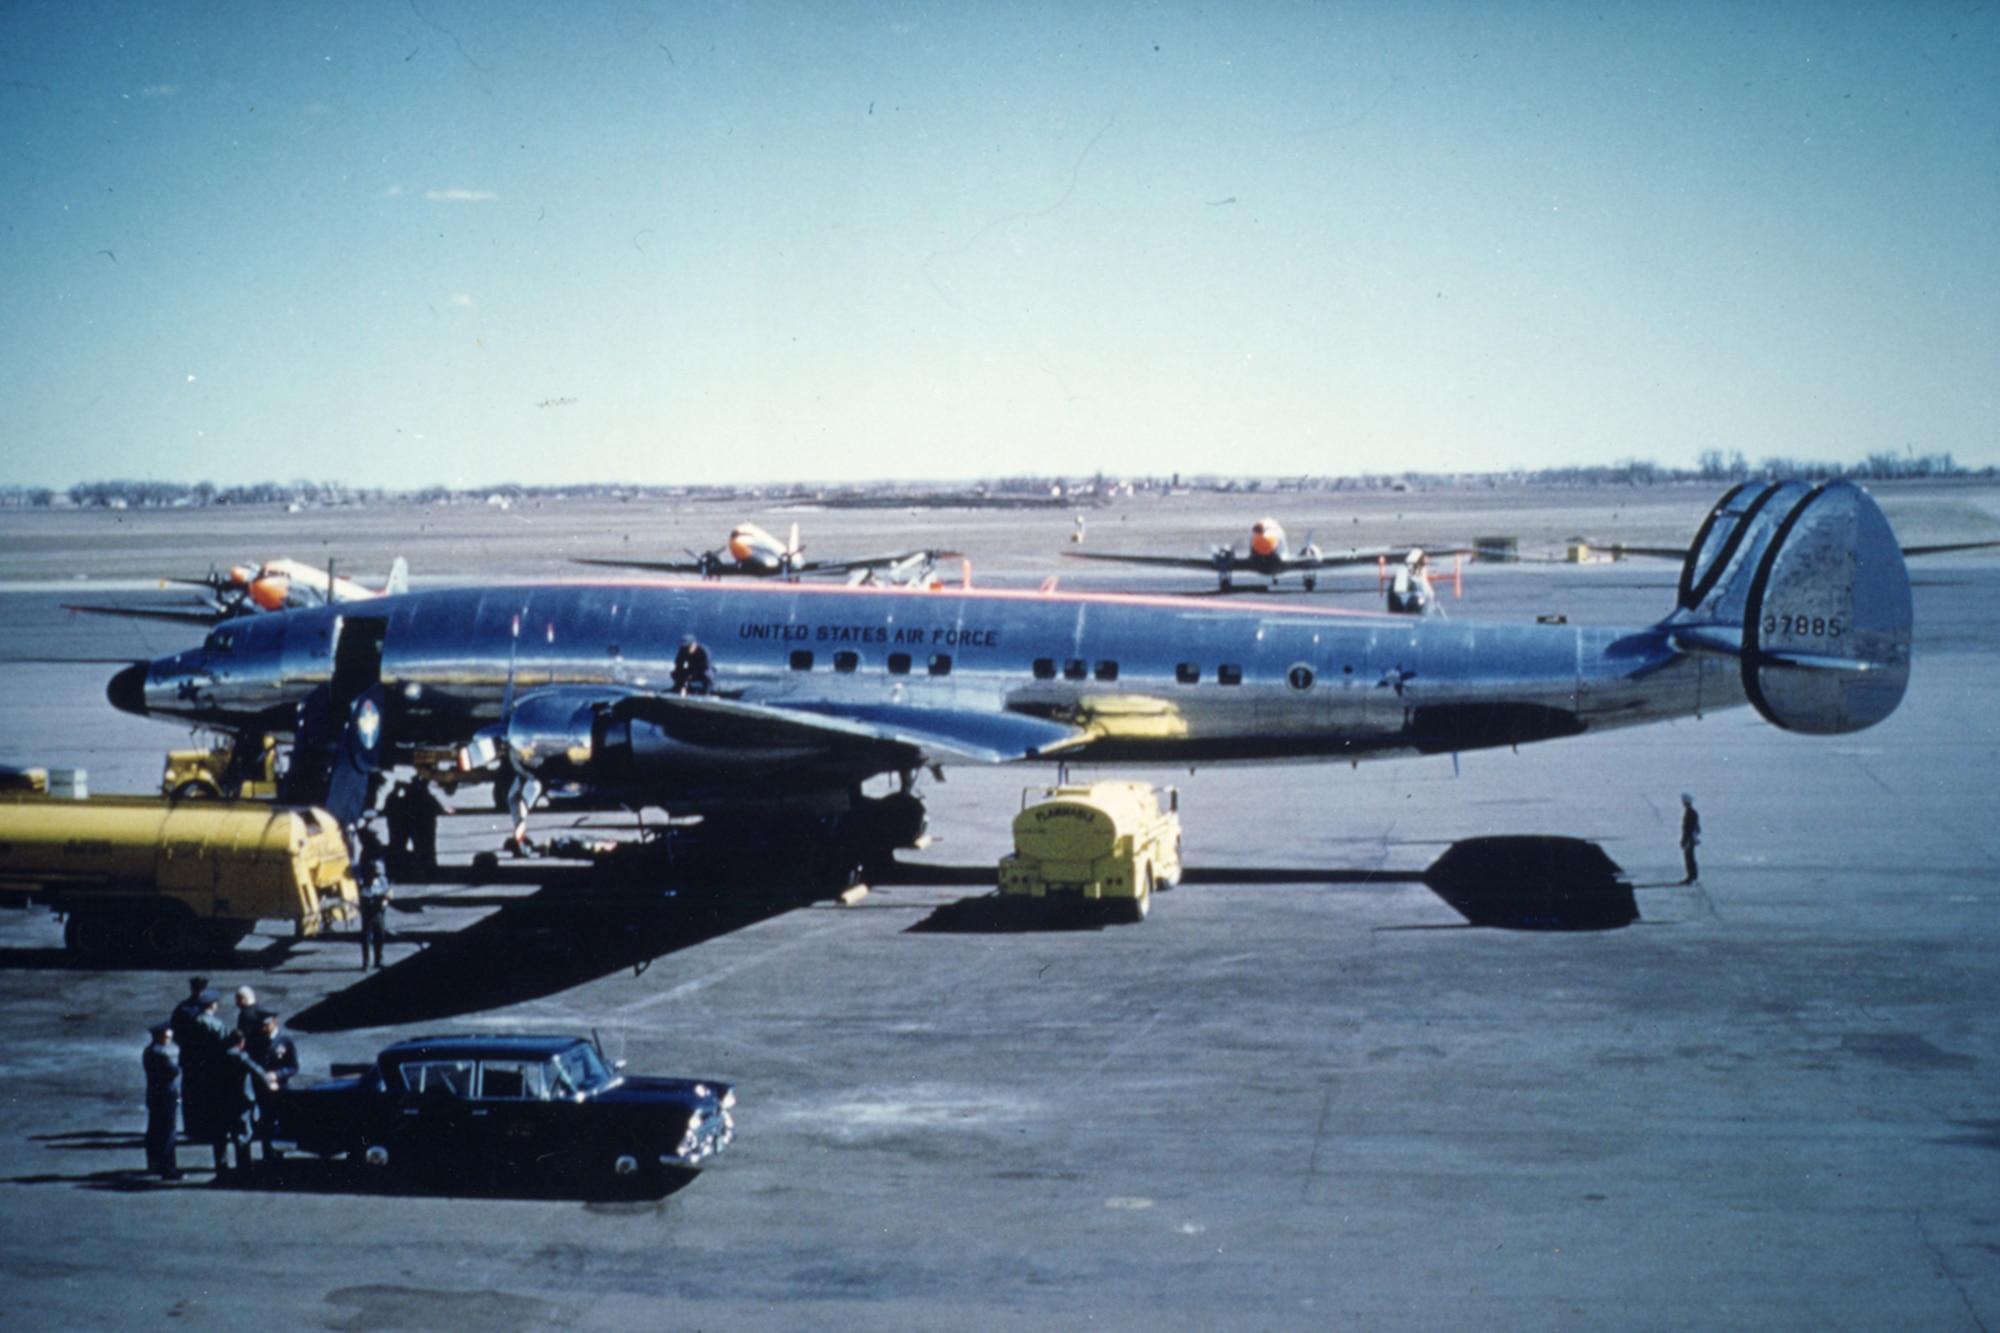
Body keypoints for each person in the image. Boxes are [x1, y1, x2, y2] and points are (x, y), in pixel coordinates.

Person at [213, 1029, 271, 1179]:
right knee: (242, 1134)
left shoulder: (218, 1056)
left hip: (221, 1100)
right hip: (241, 1100)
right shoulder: (241, 1056)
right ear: (241, 1042)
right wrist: (269, 1084)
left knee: (221, 1136)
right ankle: (243, 1169)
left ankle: (221, 1169)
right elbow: (257, 1071)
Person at [253, 1011, 298, 1162]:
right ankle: (268, 1156)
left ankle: (278, 1156)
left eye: (267, 1025)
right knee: (265, 1123)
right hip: (263, 1090)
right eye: (262, 1025)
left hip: (280, 1090)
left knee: (279, 1123)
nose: (264, 1028)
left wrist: (277, 1075)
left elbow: (293, 1067)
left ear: (274, 1023)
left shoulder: (285, 1042)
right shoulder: (259, 1041)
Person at [142, 1021, 182, 1181]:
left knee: (154, 1131)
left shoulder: (148, 1052)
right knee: (168, 1133)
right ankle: (169, 1168)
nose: (169, 1038)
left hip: (154, 1095)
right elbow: (174, 1071)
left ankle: (154, 1164)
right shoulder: (161, 1056)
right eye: (166, 1036)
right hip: (166, 1096)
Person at [357, 852, 391, 971]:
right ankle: (366, 962)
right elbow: (363, 895)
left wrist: (386, 899)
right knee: (366, 938)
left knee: (380, 936)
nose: (377, 875)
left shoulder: (383, 880)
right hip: (368, 914)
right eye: (375, 873)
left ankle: (378, 960)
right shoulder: (364, 882)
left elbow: (388, 893)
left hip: (379, 913)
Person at [1680, 793, 1702, 885]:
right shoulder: (1692, 812)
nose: (1683, 803)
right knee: (1690, 857)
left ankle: (1691, 876)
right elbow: (1697, 828)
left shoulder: (1690, 813)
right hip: (1691, 838)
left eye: (1683, 801)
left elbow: (1688, 828)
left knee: (1689, 857)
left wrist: (1685, 839)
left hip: (1689, 839)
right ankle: (1693, 876)